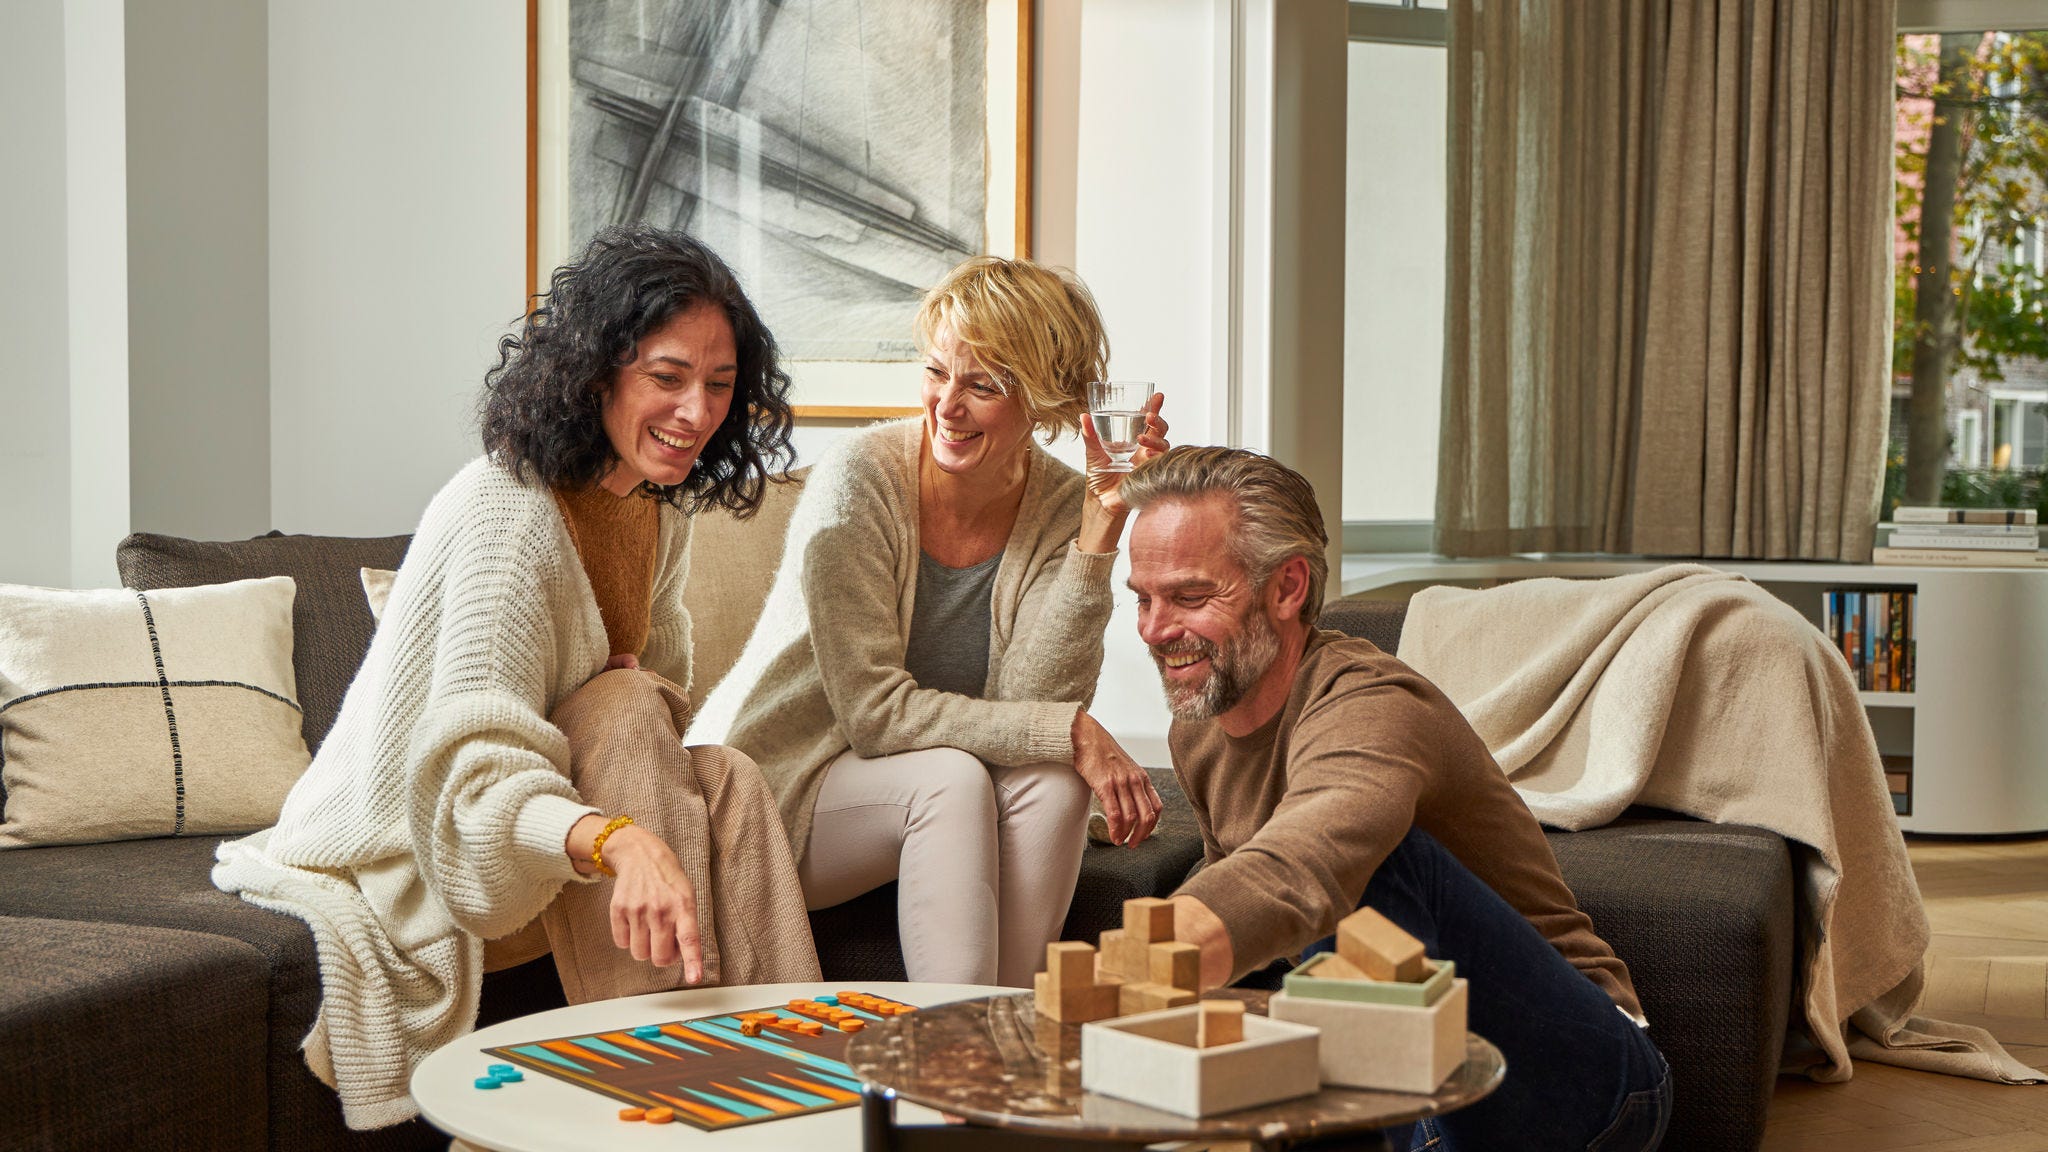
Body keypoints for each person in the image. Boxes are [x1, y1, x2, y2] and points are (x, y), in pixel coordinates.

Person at [214, 226, 821, 1130]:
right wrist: (621, 837)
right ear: (597, 371)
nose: (697, 411)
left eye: (720, 385)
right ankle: (660, 1110)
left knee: (725, 772)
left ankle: (796, 1100)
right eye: (667, 377)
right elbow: (475, 768)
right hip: (422, 839)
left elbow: (664, 691)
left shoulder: (657, 506)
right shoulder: (510, 511)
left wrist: (622, 690)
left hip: (550, 804)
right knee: (620, 705)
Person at [1118, 446, 1670, 1152]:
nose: (1155, 630)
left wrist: (1133, 962)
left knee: (1374, 858)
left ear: (1287, 588)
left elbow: (1304, 862)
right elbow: (1250, 917)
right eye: (1143, 598)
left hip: (1586, 1079)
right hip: (1407, 1073)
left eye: (1190, 597)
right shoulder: (1198, 732)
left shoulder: (1372, 704)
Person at [693, 256, 1168, 987]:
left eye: (982, 385)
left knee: (1057, 784)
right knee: (949, 780)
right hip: (784, 786)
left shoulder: (1061, 504)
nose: (946, 404)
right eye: (936, 371)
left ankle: (990, 1044)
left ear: (1041, 402)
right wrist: (1070, 729)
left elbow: (1031, 703)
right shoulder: (862, 477)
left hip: (939, 784)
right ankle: (950, 1057)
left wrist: (1101, 527)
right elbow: (875, 716)